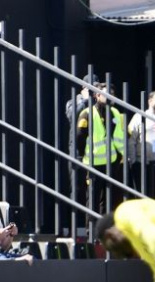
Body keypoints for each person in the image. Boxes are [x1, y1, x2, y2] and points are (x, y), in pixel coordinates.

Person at [77, 82, 126, 214]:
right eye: (107, 94)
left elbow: (119, 137)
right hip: (93, 164)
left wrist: (121, 156)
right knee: (93, 199)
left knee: (109, 199)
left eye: (113, 94)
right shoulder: (86, 113)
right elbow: (80, 138)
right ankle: (91, 231)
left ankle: (104, 231)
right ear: (97, 95)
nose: (111, 97)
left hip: (111, 162)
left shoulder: (115, 112)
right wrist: (84, 155)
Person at [65, 73, 99, 210]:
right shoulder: (74, 101)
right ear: (83, 87)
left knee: (94, 190)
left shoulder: (100, 101)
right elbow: (71, 116)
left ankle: (90, 226)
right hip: (78, 150)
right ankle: (73, 224)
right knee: (76, 187)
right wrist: (85, 101)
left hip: (96, 151)